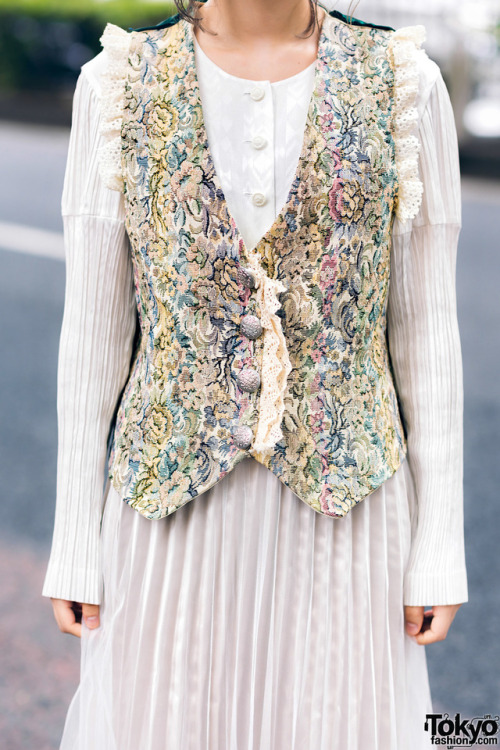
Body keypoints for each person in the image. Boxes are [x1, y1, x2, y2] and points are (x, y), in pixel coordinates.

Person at [42, 1, 469, 748]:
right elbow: (93, 336)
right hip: (168, 516)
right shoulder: (115, 84)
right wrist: (74, 537)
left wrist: (440, 545)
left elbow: (428, 329)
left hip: (349, 515)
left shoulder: (405, 83)